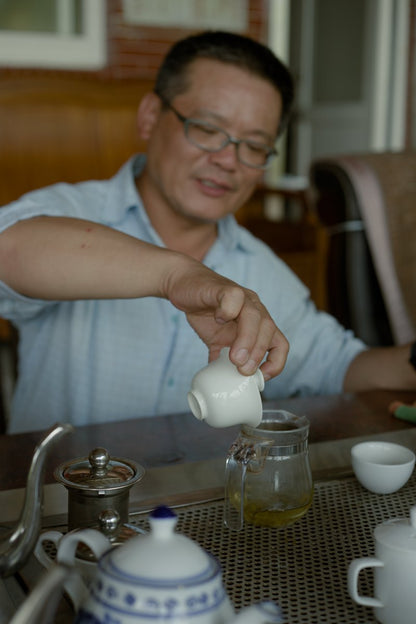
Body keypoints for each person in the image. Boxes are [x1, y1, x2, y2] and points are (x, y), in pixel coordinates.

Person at [0, 31, 415, 434]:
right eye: (207, 129)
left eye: (253, 146)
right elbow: (9, 248)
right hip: (55, 497)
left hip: (187, 500)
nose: (229, 160)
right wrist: (178, 276)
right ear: (149, 117)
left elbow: (339, 367)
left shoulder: (262, 271)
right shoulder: (70, 212)